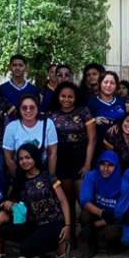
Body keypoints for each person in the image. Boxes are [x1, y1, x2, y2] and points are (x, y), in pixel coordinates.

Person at [0, 144, 72, 258]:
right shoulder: (19, 181)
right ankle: (41, 246)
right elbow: (12, 201)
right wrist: (9, 204)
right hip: (34, 225)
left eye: (28, 157)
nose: (24, 161)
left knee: (25, 250)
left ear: (35, 158)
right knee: (3, 229)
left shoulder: (48, 176)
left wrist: (67, 225)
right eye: (21, 159)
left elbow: (63, 201)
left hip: (54, 223)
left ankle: (59, 245)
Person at [48, 82, 95, 246]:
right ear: (58, 97)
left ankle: (90, 238)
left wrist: (88, 164)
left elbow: (92, 139)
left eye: (70, 96)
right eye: (63, 96)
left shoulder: (84, 112)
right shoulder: (51, 114)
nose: (66, 99)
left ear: (75, 97)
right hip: (62, 162)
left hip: (81, 161)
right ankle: (71, 238)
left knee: (84, 201)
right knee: (67, 202)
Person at [78, 150, 129, 258]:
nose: (105, 169)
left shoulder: (125, 186)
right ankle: (92, 244)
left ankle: (114, 245)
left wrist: (93, 225)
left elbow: (117, 216)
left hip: (114, 221)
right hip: (98, 214)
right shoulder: (91, 177)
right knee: (85, 215)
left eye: (110, 165)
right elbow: (85, 201)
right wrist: (101, 212)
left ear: (116, 167)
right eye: (102, 164)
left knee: (111, 232)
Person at [2, 94, 58, 177]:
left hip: (43, 169)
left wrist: (50, 178)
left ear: (38, 108)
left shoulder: (47, 123)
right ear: (19, 110)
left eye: (32, 107)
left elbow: (52, 154)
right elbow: (9, 159)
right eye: (24, 108)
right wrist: (18, 179)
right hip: (21, 171)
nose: (28, 110)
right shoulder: (11, 127)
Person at [87, 70, 129, 155]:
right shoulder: (91, 103)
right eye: (105, 82)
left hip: (120, 147)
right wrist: (94, 120)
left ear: (116, 86)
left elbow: (126, 119)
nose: (109, 85)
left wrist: (119, 124)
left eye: (112, 83)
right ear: (100, 83)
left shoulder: (121, 101)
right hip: (99, 147)